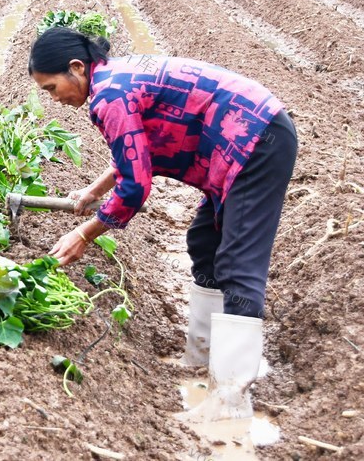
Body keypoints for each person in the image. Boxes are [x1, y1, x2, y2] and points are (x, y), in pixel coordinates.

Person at [28, 28, 297, 422]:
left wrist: (84, 234)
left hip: (257, 140)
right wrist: (94, 191)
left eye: (52, 88)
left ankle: (230, 402)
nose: (54, 99)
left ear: (77, 68)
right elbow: (137, 149)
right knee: (205, 241)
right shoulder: (111, 81)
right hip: (243, 137)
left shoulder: (110, 95)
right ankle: (202, 357)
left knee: (238, 262)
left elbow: (136, 186)